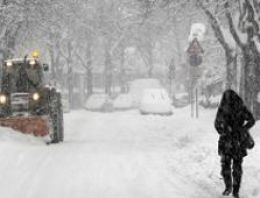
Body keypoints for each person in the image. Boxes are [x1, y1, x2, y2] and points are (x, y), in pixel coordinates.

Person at [214, 89, 255, 198]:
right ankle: (235, 191)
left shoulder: (223, 108)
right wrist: (243, 129)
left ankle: (229, 188)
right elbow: (251, 120)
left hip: (227, 141)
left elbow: (217, 124)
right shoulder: (240, 106)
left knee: (226, 165)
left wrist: (224, 131)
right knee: (237, 166)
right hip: (238, 141)